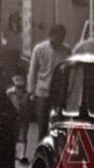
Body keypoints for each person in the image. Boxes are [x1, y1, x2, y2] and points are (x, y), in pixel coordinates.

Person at [23, 24, 68, 152]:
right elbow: (33, 71)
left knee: (57, 124)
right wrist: (31, 91)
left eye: (62, 38)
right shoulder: (39, 49)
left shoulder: (66, 51)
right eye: (57, 38)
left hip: (59, 94)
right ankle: (41, 151)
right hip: (42, 92)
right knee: (42, 124)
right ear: (50, 36)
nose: (59, 41)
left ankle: (55, 151)